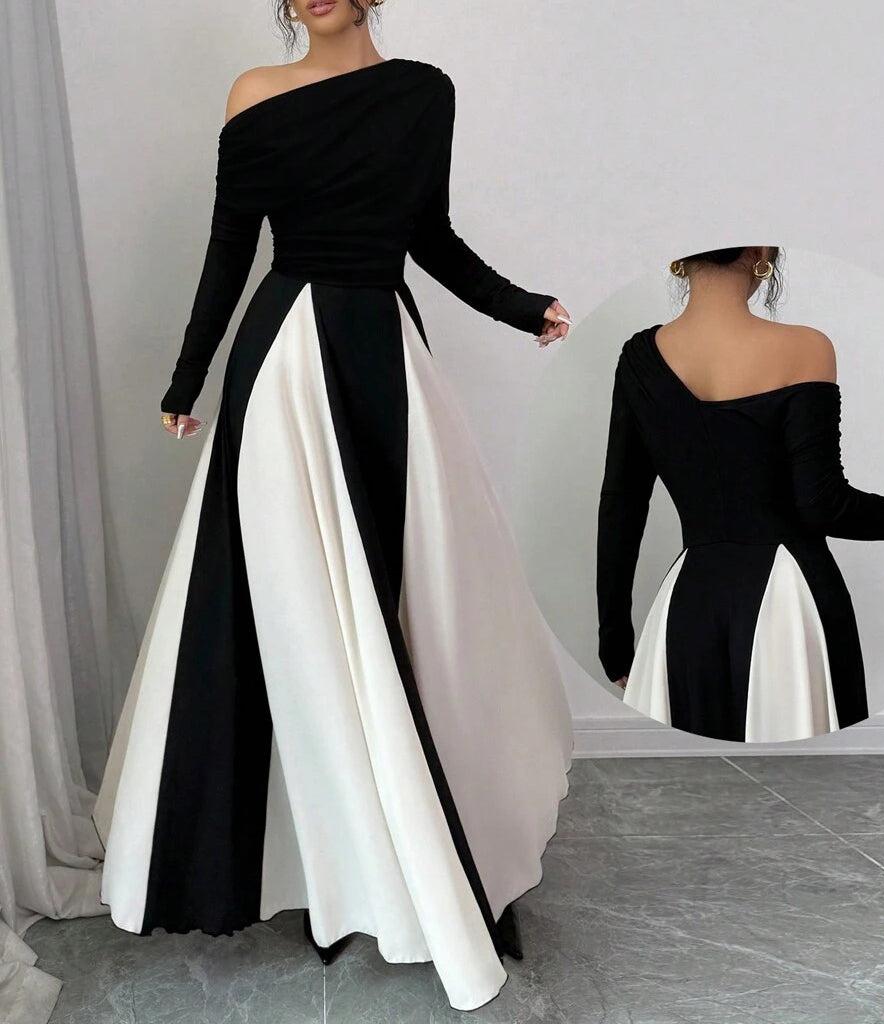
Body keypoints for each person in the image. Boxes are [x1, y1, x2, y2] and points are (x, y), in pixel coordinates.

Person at [93, 0, 573, 1011]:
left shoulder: (422, 92)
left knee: (412, 602)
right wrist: (188, 378)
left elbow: (429, 235)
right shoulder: (253, 94)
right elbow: (230, 248)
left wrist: (520, 305)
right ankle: (330, 873)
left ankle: (426, 850)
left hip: (384, 357)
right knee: (299, 612)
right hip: (284, 367)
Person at [596, 246, 884, 743]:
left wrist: (614, 638)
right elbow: (825, 505)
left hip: (688, 603)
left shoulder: (639, 358)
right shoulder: (805, 347)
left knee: (702, 775)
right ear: (761, 254)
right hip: (791, 598)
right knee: (802, 771)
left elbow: (621, 505)